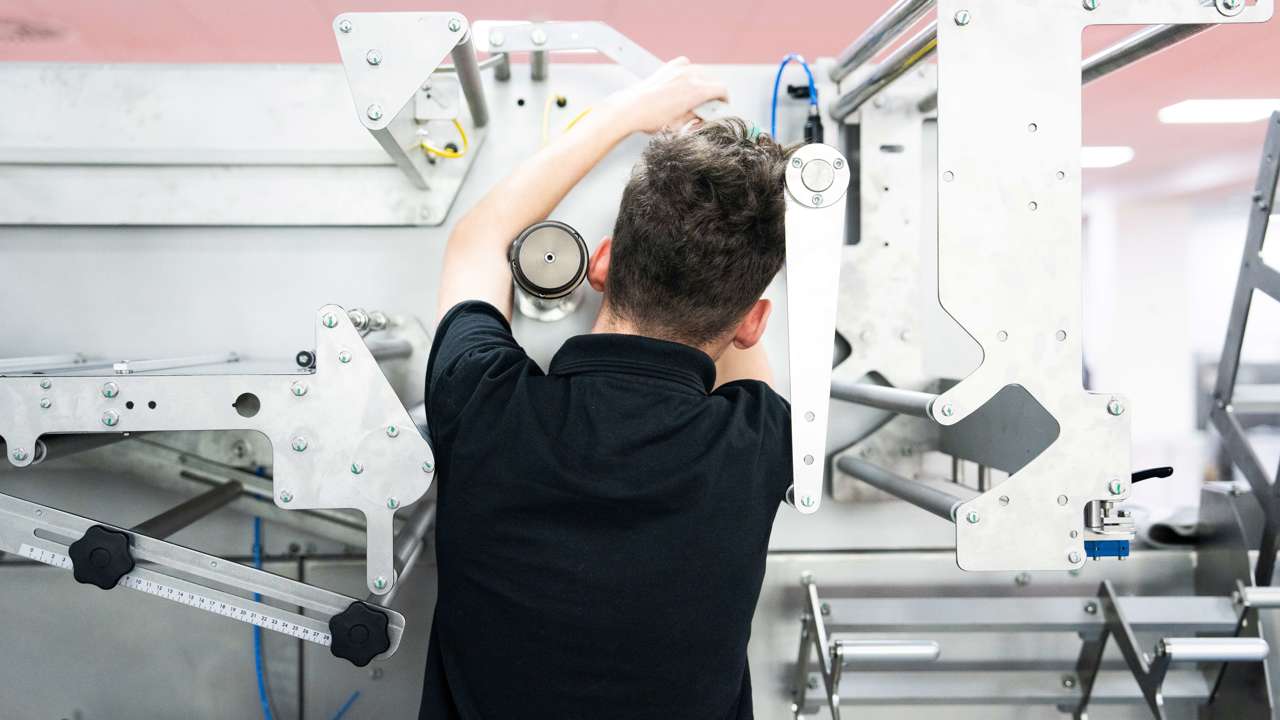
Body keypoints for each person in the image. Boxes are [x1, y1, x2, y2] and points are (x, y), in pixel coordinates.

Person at [419, 57, 794, 720]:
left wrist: (625, 115)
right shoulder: (760, 444)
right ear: (754, 324)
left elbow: (478, 240)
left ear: (600, 262)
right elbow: (738, 337)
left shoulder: (484, 404)